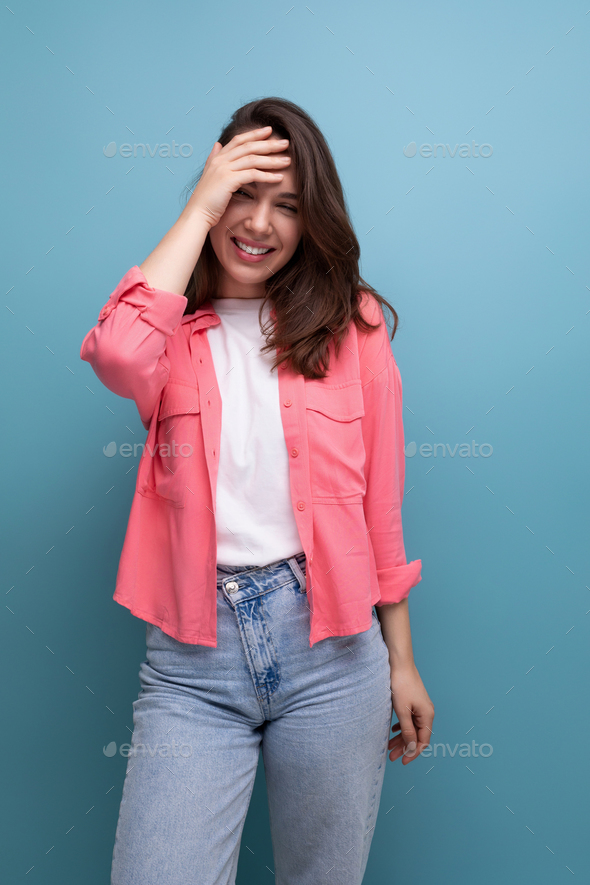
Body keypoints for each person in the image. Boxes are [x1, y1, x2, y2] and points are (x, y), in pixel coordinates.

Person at [80, 97, 435, 885]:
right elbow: (113, 353)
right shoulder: (168, 333)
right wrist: (204, 200)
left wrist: (401, 661)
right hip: (190, 660)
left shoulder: (354, 328)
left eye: (289, 206)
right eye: (245, 193)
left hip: (334, 650)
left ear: (314, 223)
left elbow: (381, 508)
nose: (261, 223)